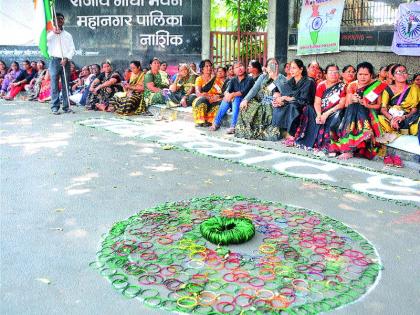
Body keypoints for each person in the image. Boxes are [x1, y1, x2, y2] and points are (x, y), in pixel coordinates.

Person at [329, 62, 386, 160]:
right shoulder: (352, 85)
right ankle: (359, 138)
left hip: (370, 112)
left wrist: (366, 104)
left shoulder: (377, 85)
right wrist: (353, 99)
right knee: (354, 106)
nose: (362, 77)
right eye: (360, 74)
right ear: (357, 74)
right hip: (352, 112)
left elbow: (378, 106)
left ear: (371, 75)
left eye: (366, 75)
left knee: (358, 107)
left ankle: (349, 149)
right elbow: (347, 104)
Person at [294, 64, 346, 151]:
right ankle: (309, 138)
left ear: (339, 74)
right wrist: (319, 115)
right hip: (321, 110)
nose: (333, 74)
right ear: (325, 74)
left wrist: (326, 114)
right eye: (331, 72)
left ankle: (328, 143)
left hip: (333, 111)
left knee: (337, 115)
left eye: (336, 72)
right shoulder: (321, 85)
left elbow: (341, 104)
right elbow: (317, 102)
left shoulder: (342, 86)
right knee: (308, 109)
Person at [235, 58, 287, 140]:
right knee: (247, 105)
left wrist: (275, 78)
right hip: (260, 100)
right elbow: (254, 89)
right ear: (266, 67)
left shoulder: (282, 78)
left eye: (275, 64)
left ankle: (266, 132)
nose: (273, 66)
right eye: (271, 64)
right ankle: (246, 131)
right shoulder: (263, 76)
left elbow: (285, 92)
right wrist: (245, 99)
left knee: (267, 107)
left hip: (273, 102)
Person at [268, 59, 316, 143]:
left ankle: (292, 135)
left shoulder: (309, 81)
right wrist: (281, 101)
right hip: (293, 103)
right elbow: (287, 95)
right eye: (290, 68)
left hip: (305, 105)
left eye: (294, 68)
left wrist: (286, 98)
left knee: (292, 107)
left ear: (301, 69)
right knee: (278, 106)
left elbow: (305, 100)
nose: (291, 70)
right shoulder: (291, 81)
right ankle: (282, 131)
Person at [210, 61, 255, 134]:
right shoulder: (233, 80)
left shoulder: (249, 79)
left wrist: (232, 95)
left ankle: (233, 126)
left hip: (246, 103)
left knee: (236, 98)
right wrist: (227, 95)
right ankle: (216, 123)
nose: (239, 68)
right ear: (234, 70)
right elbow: (227, 91)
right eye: (236, 67)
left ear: (244, 67)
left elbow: (243, 92)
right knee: (225, 100)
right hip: (234, 103)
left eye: (241, 66)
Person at [378, 64, 419, 139]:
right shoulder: (386, 88)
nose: (402, 74)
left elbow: (414, 109)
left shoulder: (414, 88)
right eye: (398, 72)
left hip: (408, 116)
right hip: (391, 116)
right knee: (379, 119)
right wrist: (392, 119)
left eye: (404, 72)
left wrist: (403, 117)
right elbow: (383, 109)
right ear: (393, 76)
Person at [47, 12, 76, 114]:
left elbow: (72, 49)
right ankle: (55, 107)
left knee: (65, 85)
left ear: (63, 21)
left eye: (61, 19)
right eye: (57, 19)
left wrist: (66, 58)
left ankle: (66, 107)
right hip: (54, 61)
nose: (59, 21)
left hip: (66, 62)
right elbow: (44, 43)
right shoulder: (49, 34)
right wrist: (53, 33)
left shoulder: (68, 35)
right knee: (54, 85)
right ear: (54, 21)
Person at [192, 59, 225, 127]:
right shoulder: (199, 79)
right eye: (206, 66)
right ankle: (200, 121)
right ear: (202, 69)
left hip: (215, 99)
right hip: (204, 98)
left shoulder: (217, 78)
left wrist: (218, 97)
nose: (209, 68)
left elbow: (222, 92)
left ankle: (210, 121)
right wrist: (207, 97)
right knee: (201, 100)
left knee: (220, 103)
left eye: (210, 66)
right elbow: (198, 92)